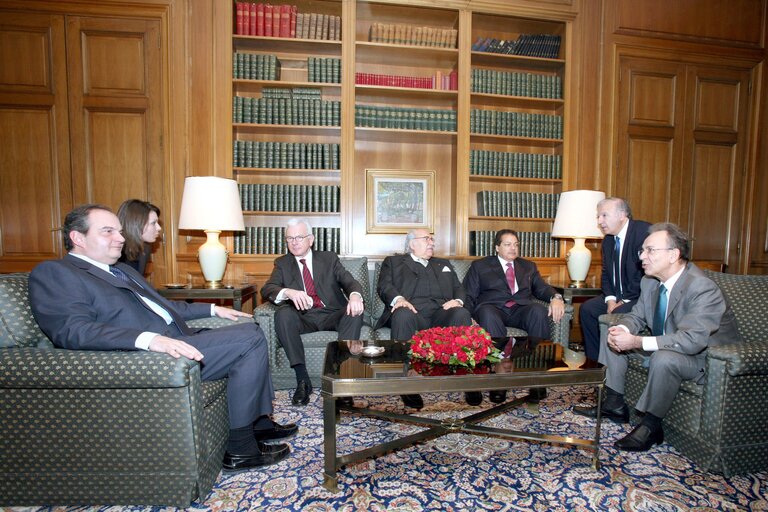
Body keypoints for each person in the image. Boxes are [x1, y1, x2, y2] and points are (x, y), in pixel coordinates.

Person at [28, 204, 296, 471]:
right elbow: (72, 330)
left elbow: (167, 308)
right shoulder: (57, 273)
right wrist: (148, 339)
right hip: (147, 358)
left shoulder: (123, 270)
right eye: (108, 231)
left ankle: (258, 424)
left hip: (177, 340)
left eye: (119, 231)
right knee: (249, 340)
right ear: (78, 238)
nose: (120, 238)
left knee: (251, 329)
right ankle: (240, 450)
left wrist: (213, 308)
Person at [573, 223, 742, 451]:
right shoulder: (650, 281)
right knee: (611, 330)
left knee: (664, 357)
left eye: (650, 250)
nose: (642, 256)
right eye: (642, 250)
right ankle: (613, 402)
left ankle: (650, 426)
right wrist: (623, 330)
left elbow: (692, 340)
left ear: (674, 255)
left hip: (708, 359)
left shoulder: (701, 287)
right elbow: (637, 316)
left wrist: (637, 341)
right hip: (668, 343)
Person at [261, 218, 365, 406]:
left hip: (332, 314)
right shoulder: (282, 263)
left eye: (299, 237)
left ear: (311, 239)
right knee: (283, 314)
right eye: (290, 238)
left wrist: (355, 296)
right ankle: (303, 381)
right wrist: (288, 292)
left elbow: (349, 281)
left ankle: (341, 381)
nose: (294, 242)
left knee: (354, 311)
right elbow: (268, 289)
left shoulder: (328, 258)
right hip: (303, 317)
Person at [463, 229, 565, 405]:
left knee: (538, 311)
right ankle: (499, 382)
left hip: (520, 309)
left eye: (516, 244)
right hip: (493, 308)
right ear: (497, 247)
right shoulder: (480, 266)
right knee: (487, 313)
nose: (513, 248)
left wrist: (556, 297)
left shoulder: (528, 266)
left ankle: (536, 376)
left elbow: (541, 288)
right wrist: (467, 317)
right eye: (508, 244)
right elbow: (469, 294)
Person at [375, 228, 472, 409]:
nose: (432, 242)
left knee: (461, 313)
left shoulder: (442, 263)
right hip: (412, 313)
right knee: (402, 313)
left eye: (432, 239)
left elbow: (459, 287)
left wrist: (457, 301)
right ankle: (408, 385)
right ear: (412, 244)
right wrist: (400, 300)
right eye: (427, 239)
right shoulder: (394, 262)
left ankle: (466, 376)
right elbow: (384, 286)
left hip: (440, 313)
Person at [579, 197, 651, 360]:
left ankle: (609, 364)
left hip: (640, 297)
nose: (600, 221)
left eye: (604, 215)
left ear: (622, 215)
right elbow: (606, 273)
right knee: (588, 309)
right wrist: (610, 299)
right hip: (618, 296)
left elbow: (645, 273)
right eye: (598, 216)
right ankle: (593, 361)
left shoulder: (643, 232)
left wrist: (624, 301)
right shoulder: (609, 240)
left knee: (615, 313)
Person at [116, 199, 162, 276]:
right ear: (136, 224)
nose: (159, 228)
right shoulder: (115, 249)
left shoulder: (145, 249)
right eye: (153, 223)